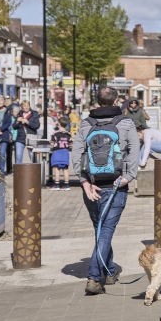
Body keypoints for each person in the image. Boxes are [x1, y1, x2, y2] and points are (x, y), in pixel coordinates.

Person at [72, 87, 139, 295]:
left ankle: (109, 272)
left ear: (98, 101)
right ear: (117, 100)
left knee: (100, 230)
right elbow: (134, 153)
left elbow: (76, 155)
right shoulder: (126, 123)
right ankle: (93, 277)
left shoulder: (85, 124)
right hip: (116, 184)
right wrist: (126, 178)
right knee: (106, 231)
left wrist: (85, 183)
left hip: (91, 186)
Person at [12, 100, 40, 164]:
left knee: (32, 156)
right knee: (18, 156)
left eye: (28, 105)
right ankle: (19, 172)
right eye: (25, 106)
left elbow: (37, 126)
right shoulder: (19, 114)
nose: (26, 107)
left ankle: (34, 171)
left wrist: (27, 122)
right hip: (20, 138)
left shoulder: (34, 114)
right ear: (22, 107)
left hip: (31, 137)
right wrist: (17, 122)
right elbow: (14, 127)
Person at [0, 96, 12, 173]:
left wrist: (0, 129)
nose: (0, 102)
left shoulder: (8, 111)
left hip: (4, 133)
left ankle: (1, 171)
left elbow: (8, 122)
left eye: (1, 100)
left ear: (4, 101)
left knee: (2, 154)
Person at [50, 124, 73, 190]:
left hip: (57, 152)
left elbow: (52, 143)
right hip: (65, 152)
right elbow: (71, 143)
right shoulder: (68, 134)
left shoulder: (55, 133)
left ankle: (57, 185)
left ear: (59, 124)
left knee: (57, 169)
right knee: (65, 169)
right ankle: (67, 185)